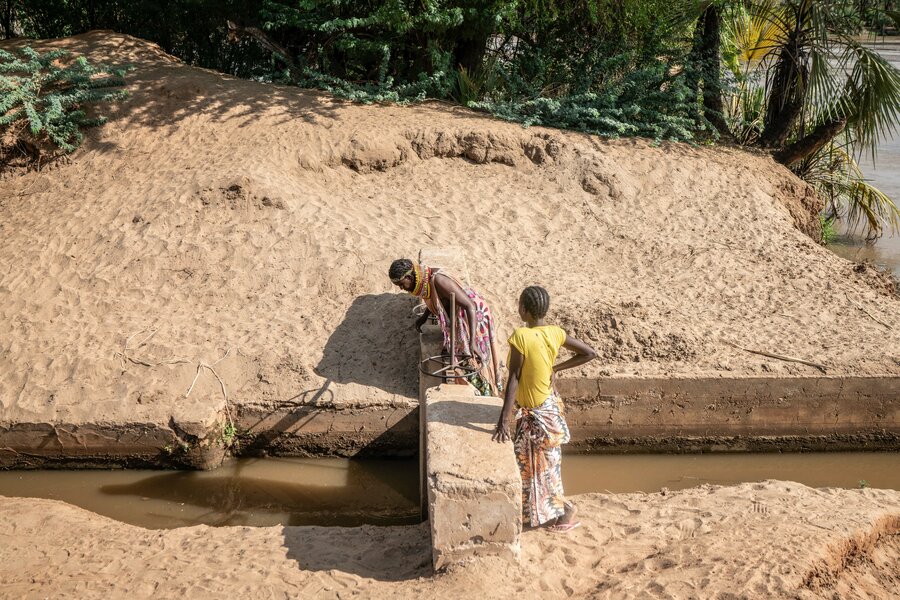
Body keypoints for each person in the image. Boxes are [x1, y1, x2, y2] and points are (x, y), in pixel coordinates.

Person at [492, 285, 597, 532]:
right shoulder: (555, 333)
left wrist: (503, 420)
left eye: (519, 305)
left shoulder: (521, 337)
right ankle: (539, 513)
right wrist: (556, 368)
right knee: (538, 466)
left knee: (542, 468)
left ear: (524, 310)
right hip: (547, 407)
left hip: (536, 412)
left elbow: (514, 379)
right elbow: (589, 353)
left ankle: (566, 512)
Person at [388, 258, 501, 396]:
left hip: (473, 316)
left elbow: (469, 306)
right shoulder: (423, 279)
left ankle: (487, 393)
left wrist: (472, 342)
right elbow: (435, 298)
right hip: (460, 314)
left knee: (473, 358)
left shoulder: (438, 280)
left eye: (401, 284)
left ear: (409, 277)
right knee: (462, 355)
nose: (401, 288)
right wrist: (424, 318)